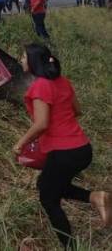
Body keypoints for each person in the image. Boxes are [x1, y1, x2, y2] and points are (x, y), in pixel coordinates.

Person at [14, 44, 111, 248]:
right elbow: (77, 110)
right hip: (82, 148)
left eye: (23, 56)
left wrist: (20, 143)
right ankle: (95, 197)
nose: (21, 60)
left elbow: (41, 124)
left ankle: (70, 247)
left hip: (64, 152)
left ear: (33, 61)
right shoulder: (62, 81)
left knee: (49, 199)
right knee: (49, 186)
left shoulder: (40, 85)